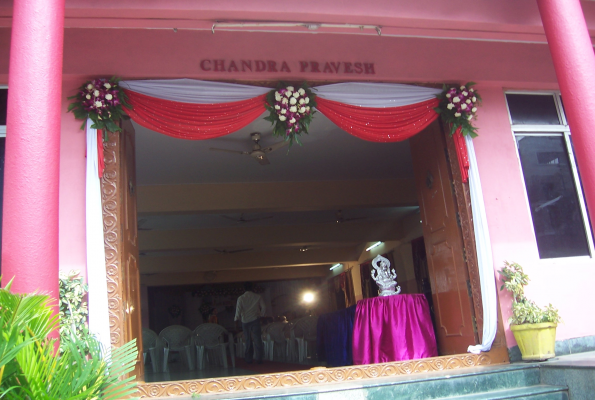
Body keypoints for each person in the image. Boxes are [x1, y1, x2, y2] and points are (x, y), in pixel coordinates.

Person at [234, 282, 266, 364]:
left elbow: (238, 311)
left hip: (245, 321)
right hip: (255, 319)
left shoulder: (241, 298)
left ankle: (248, 359)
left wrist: (236, 321)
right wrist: (260, 315)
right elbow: (264, 307)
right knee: (257, 339)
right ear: (253, 288)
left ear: (244, 289)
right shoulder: (258, 296)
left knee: (248, 340)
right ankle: (259, 358)